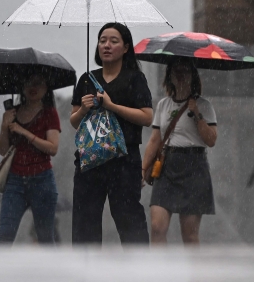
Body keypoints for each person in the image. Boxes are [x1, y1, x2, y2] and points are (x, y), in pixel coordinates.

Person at [70, 22, 153, 245]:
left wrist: (112, 105)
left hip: (124, 161)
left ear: (126, 47)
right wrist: (84, 109)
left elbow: (147, 117)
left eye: (113, 41)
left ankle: (139, 271)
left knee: (129, 221)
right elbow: (74, 120)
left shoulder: (135, 79)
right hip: (90, 160)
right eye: (102, 40)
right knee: (84, 223)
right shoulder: (87, 79)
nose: (106, 45)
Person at [142, 60, 217, 246]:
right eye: (176, 71)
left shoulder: (204, 105)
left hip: (194, 167)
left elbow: (211, 140)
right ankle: (161, 274)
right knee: (157, 227)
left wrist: (197, 114)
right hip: (167, 165)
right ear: (169, 77)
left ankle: (194, 275)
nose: (180, 75)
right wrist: (143, 168)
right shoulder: (163, 105)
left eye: (185, 71)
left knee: (190, 235)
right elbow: (155, 139)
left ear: (193, 76)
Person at [0, 72, 61, 246]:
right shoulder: (12, 114)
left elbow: (52, 148)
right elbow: (3, 150)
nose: (33, 88)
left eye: (38, 83)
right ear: (21, 88)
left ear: (46, 88)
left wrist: (24, 131)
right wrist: (4, 126)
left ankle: (52, 272)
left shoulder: (50, 113)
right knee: (4, 236)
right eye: (29, 83)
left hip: (42, 180)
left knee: (46, 237)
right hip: (15, 181)